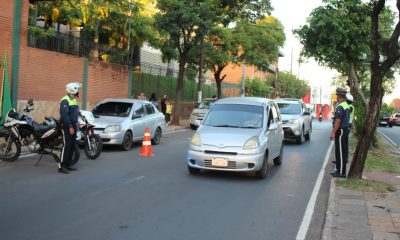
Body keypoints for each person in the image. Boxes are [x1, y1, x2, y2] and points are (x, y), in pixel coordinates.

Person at [58, 82, 81, 174]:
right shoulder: (65, 100)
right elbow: (64, 115)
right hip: (67, 126)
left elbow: (74, 114)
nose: (78, 91)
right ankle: (62, 166)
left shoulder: (74, 100)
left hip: (73, 125)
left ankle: (68, 165)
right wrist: (70, 126)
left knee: (72, 146)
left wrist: (76, 124)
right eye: (77, 89)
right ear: (72, 90)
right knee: (66, 146)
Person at [330, 88, 351, 178]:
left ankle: (341, 173)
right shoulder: (346, 105)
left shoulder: (340, 106)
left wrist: (333, 133)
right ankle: (339, 170)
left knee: (340, 152)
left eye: (337, 95)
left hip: (341, 131)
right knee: (340, 151)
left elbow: (338, 120)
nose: (336, 97)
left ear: (339, 96)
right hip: (345, 129)